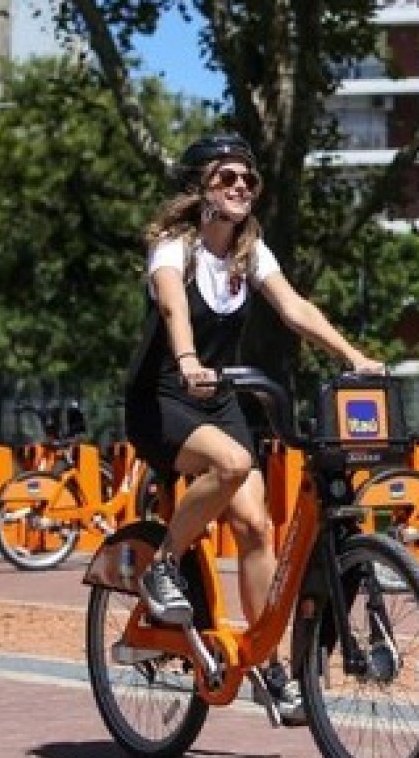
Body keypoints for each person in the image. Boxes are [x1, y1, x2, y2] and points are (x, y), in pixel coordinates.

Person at [124, 133, 382, 716]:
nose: (240, 186)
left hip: (220, 399)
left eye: (248, 178)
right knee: (233, 464)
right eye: (226, 177)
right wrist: (188, 361)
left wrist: (353, 356)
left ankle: (265, 664)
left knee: (257, 528)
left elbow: (294, 309)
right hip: (164, 396)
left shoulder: (250, 250)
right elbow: (173, 307)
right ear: (200, 187)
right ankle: (161, 565)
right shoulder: (174, 247)